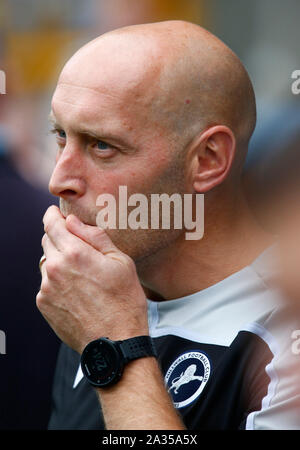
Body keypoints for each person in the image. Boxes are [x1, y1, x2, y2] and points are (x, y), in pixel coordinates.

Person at [36, 20, 300, 430]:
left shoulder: (284, 336)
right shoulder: (88, 294)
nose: (59, 180)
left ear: (208, 159)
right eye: (60, 136)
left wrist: (117, 347)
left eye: (101, 145)